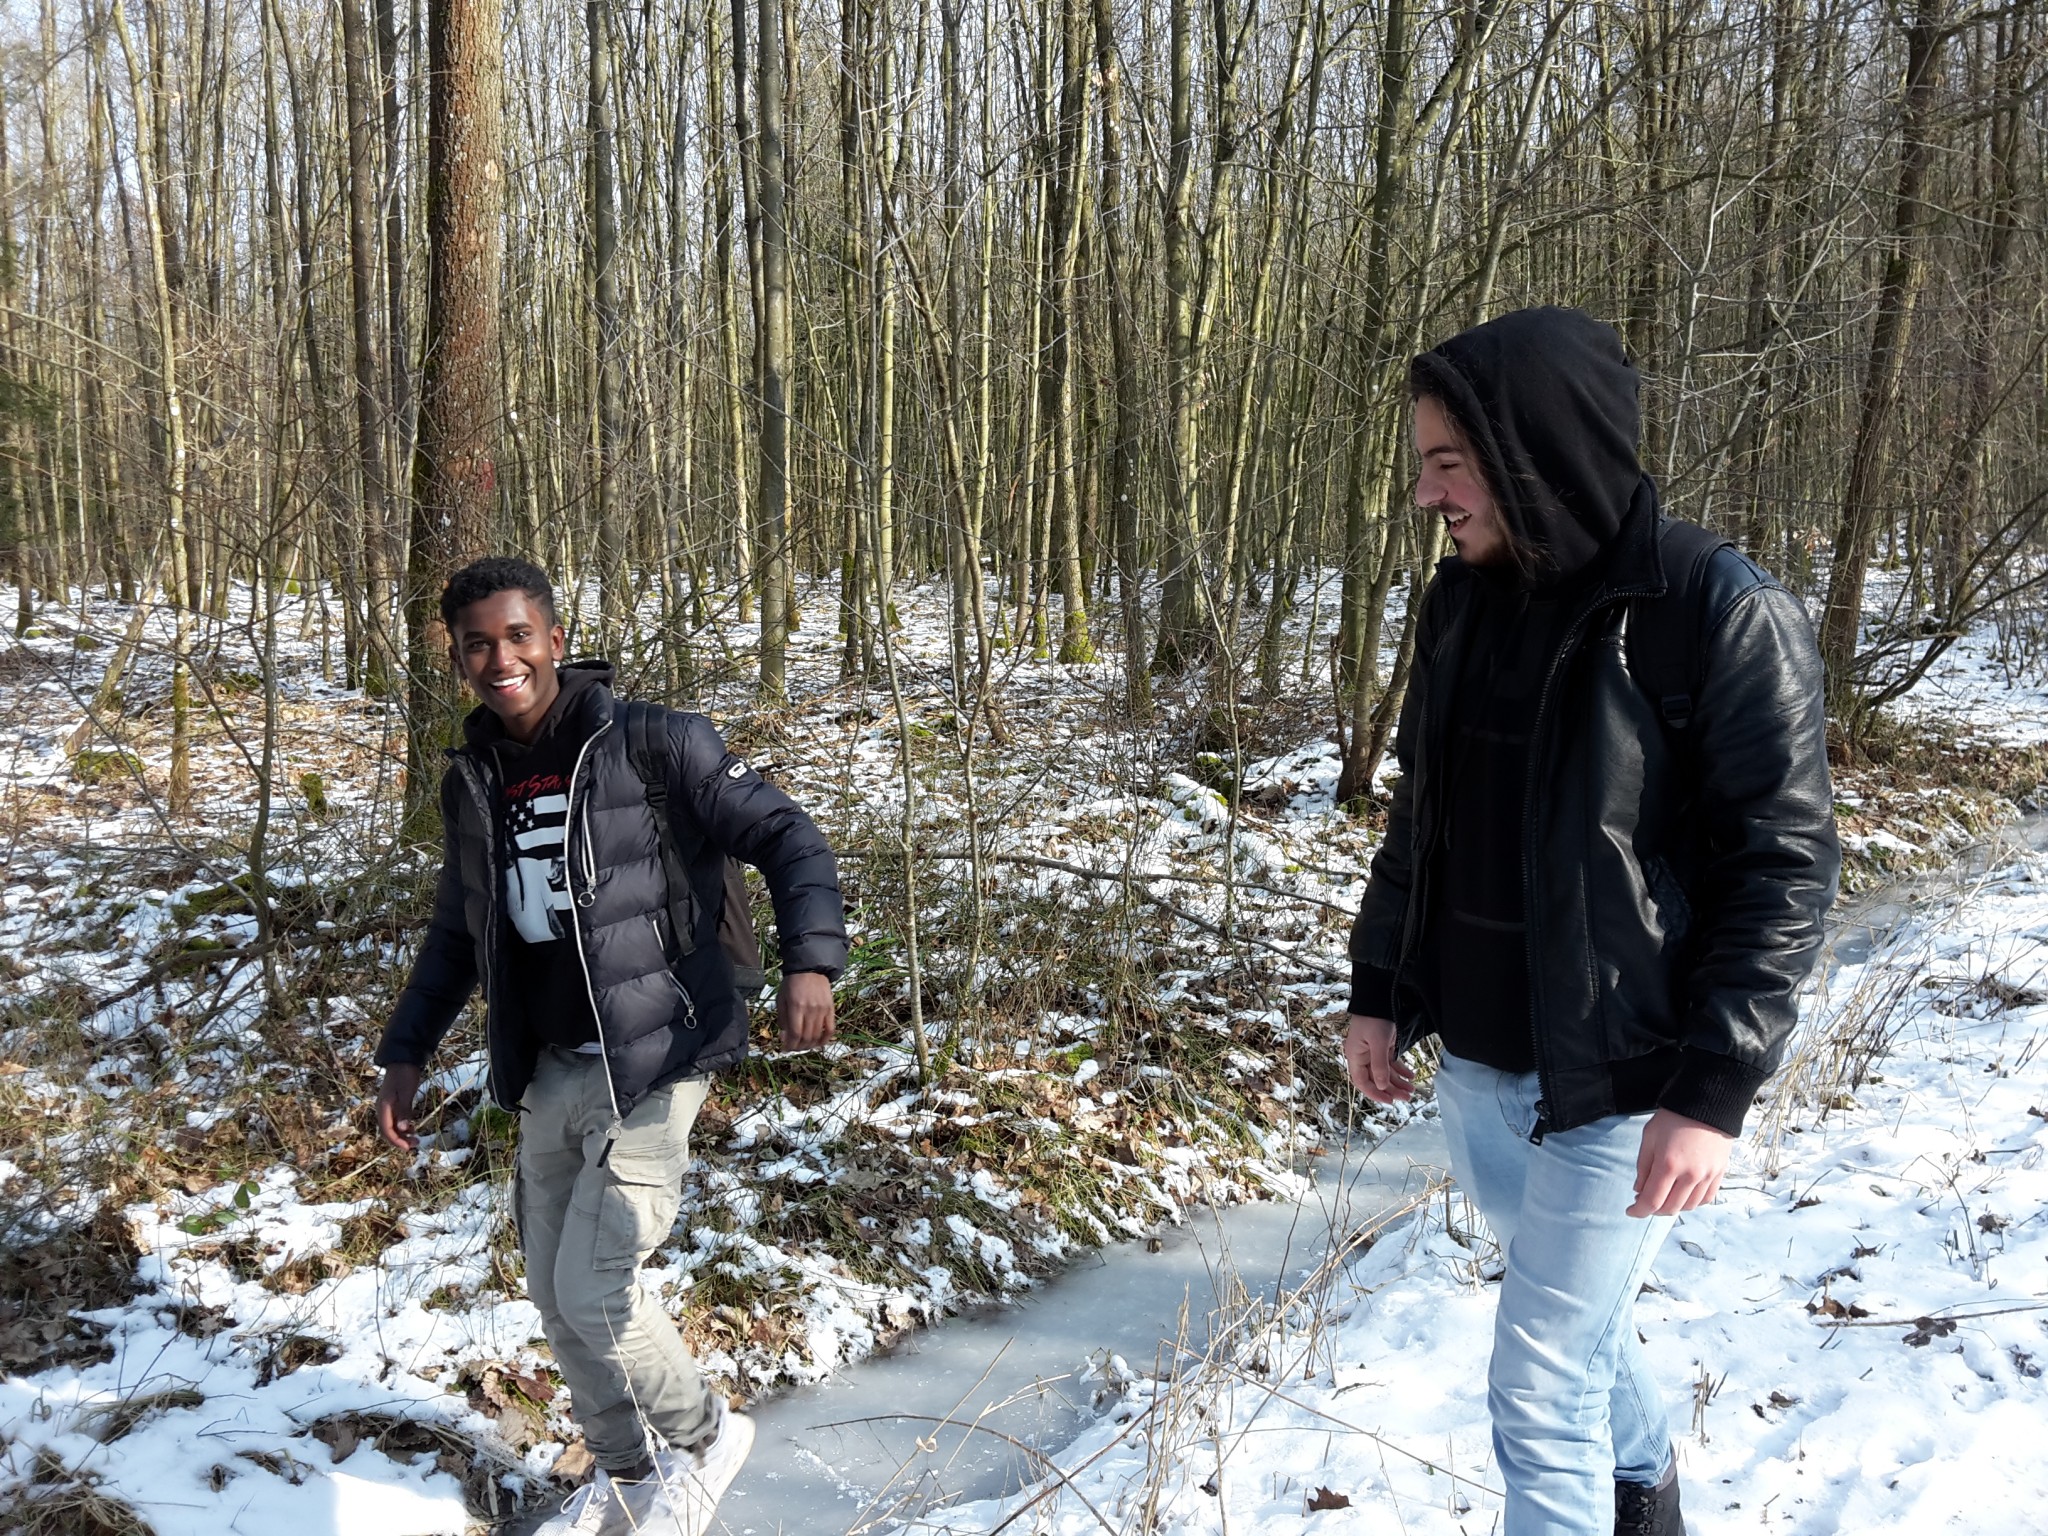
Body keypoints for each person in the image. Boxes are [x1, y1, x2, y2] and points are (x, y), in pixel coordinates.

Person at [1342, 308, 1839, 1536]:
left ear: (1533, 457)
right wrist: (1379, 986)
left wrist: (1711, 1087)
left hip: (1623, 1081)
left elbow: (1782, 866)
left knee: (1538, 1381)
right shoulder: (1459, 603)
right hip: (1479, 1066)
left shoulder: (1712, 608)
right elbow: (1422, 815)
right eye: (1421, 464)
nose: (1424, 495)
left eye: (1445, 464)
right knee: (1578, 1332)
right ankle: (1644, 1501)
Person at [372, 556, 847, 1536]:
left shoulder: (653, 743)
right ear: (457, 660)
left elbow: (789, 838)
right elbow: (459, 932)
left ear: (553, 639)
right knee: (554, 1295)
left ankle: (707, 1440)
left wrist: (811, 962)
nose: (500, 659)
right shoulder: (473, 781)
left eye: (517, 636)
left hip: (659, 1048)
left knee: (597, 1288)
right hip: (550, 1062)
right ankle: (626, 1473)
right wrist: (406, 1051)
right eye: (476, 645)